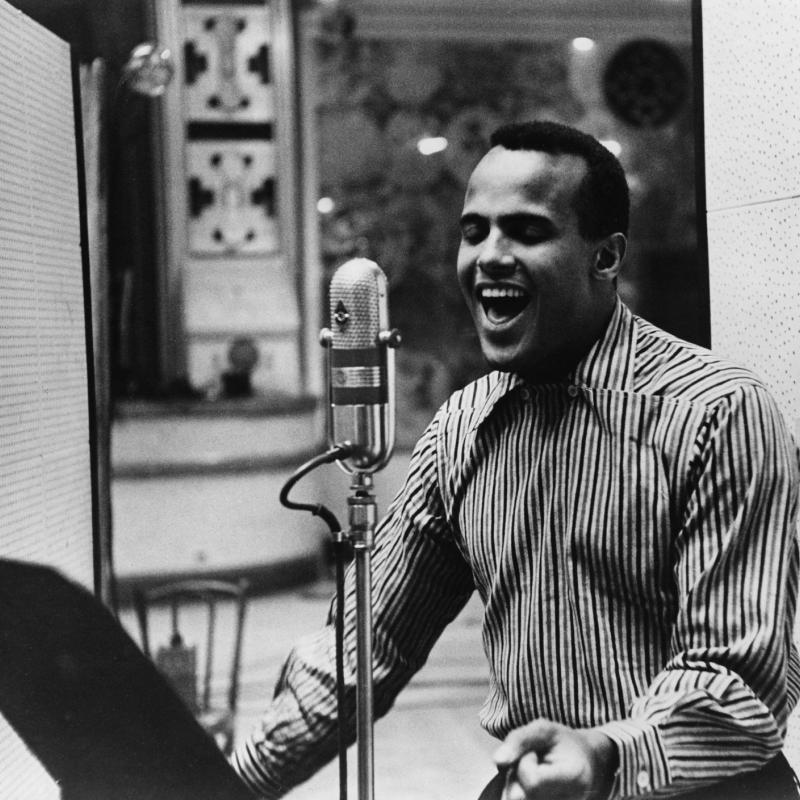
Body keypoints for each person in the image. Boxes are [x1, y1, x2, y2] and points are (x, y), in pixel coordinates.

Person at [231, 121, 800, 800]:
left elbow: (738, 678)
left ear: (606, 257)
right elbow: (365, 650)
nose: (489, 257)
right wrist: (222, 785)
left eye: (526, 232)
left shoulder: (719, 412)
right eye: (475, 232)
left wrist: (602, 753)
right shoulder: (461, 431)